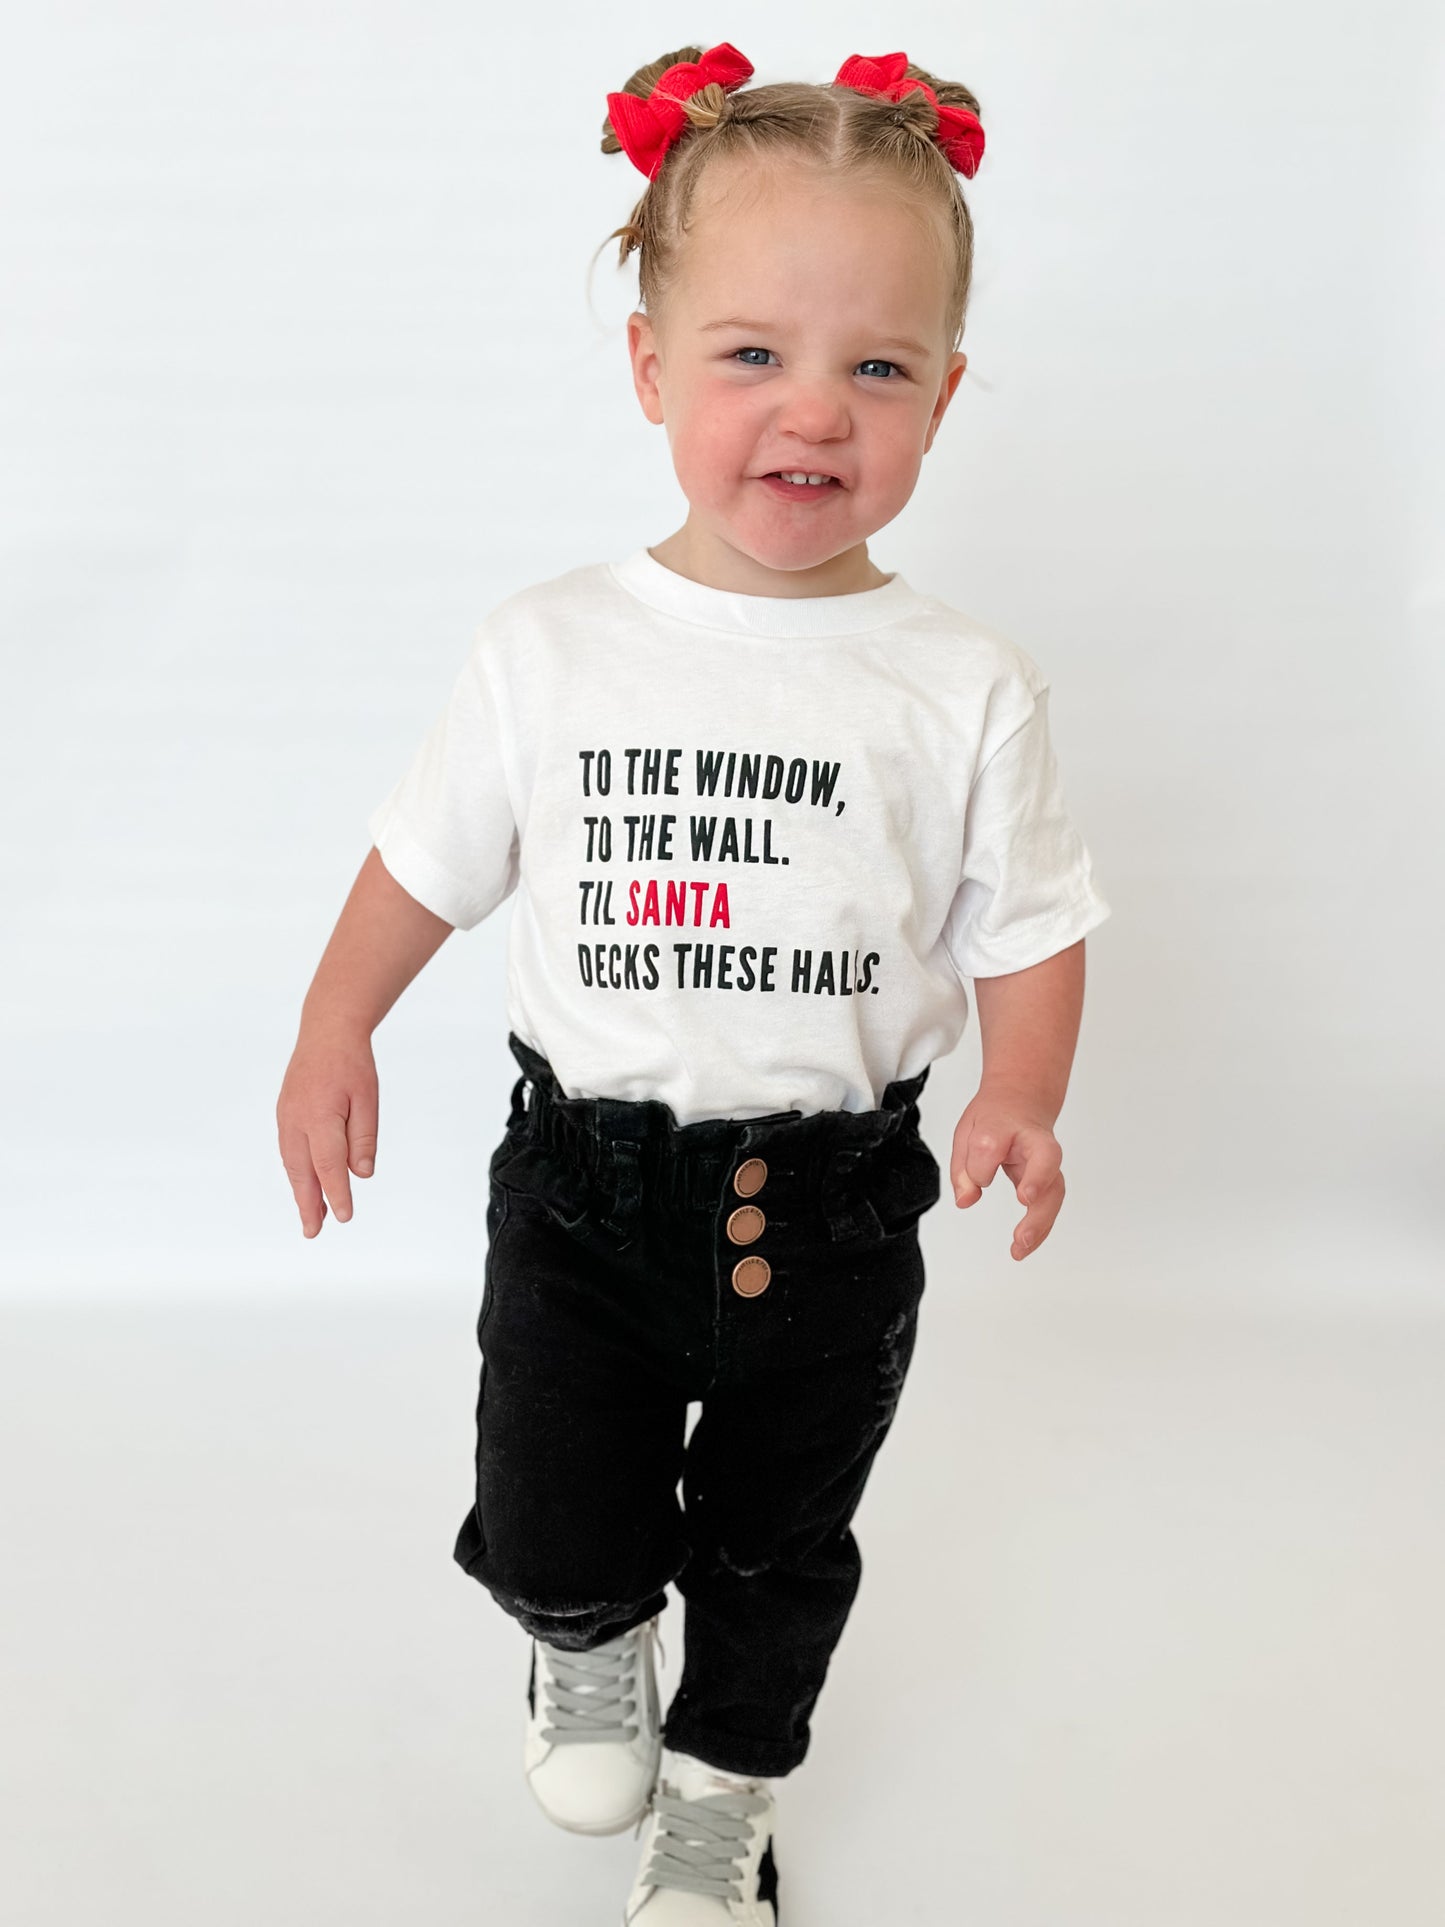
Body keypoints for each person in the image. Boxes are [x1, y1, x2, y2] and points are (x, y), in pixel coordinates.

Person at [276, 43, 1112, 1925]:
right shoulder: (552, 648)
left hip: (830, 1214)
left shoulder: (961, 683)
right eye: (751, 354)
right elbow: (422, 862)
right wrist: (336, 1024)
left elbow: (1032, 919)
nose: (811, 409)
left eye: (875, 368)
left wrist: (1021, 1090)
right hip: (584, 1197)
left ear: (942, 396)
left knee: (775, 1546)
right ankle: (581, 1639)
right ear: (650, 367)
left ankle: (722, 1801)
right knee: (552, 1500)